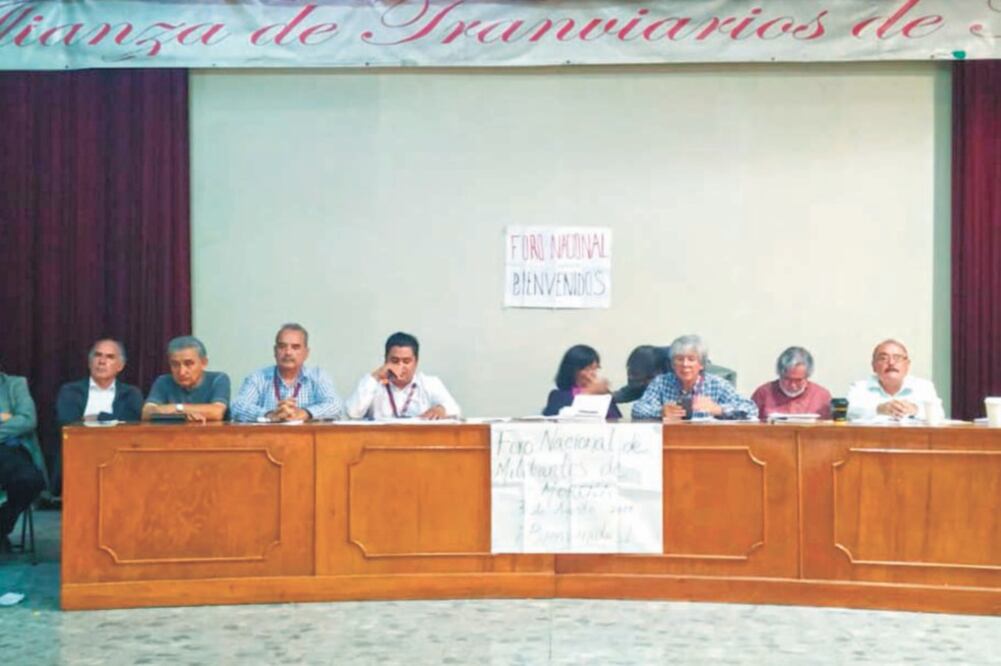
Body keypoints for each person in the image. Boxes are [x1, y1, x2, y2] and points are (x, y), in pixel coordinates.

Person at [231, 323, 344, 422]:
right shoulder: (258, 378)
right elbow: (237, 406)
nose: (288, 352)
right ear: (275, 351)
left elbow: (336, 406)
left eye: (295, 347)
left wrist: (305, 413)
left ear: (306, 353)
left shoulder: (318, 376)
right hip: (268, 438)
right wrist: (269, 415)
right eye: (282, 346)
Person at [632, 334, 758, 421]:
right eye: (679, 359)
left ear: (701, 364)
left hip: (708, 442)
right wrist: (660, 411)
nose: (685, 364)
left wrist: (719, 409)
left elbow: (751, 409)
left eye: (691, 359)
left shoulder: (717, 384)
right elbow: (637, 409)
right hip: (671, 440)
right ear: (672, 364)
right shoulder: (661, 383)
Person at [345, 332, 460, 420]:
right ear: (385, 360)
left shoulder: (429, 383)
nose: (400, 366)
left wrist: (441, 409)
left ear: (416, 362)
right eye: (394, 361)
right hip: (380, 441)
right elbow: (352, 413)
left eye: (406, 361)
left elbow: (455, 409)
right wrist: (376, 376)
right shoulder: (373, 383)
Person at [0, 369, 47, 552]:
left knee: (30, 481)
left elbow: (27, 420)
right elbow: (16, 420)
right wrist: (5, 417)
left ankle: (1, 526)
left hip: (8, 449)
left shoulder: (15, 384)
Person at [142, 336, 230, 422]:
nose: (182, 372)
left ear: (204, 363)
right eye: (175, 364)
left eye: (188, 364)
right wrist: (184, 412)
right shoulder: (163, 382)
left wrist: (177, 408)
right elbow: (146, 413)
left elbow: (216, 412)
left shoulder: (217, 379)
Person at [847, 339, 940, 421]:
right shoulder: (859, 387)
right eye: (883, 358)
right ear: (874, 366)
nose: (891, 363)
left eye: (897, 358)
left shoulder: (924, 386)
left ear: (907, 365)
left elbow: (939, 413)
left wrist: (915, 410)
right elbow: (848, 411)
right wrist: (879, 409)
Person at [56, 339, 143, 424]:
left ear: (120, 366)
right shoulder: (71, 391)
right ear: (89, 362)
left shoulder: (130, 394)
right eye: (97, 355)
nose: (102, 361)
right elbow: (68, 423)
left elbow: (132, 422)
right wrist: (112, 419)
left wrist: (98, 417)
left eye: (110, 357)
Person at [750, 346, 832, 420]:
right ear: (779, 374)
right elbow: (749, 426)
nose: (793, 385)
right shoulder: (763, 394)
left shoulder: (821, 397)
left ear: (808, 376)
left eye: (798, 380)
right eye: (787, 379)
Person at [543, 344, 622, 418]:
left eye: (595, 368)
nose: (593, 373)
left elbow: (617, 420)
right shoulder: (559, 395)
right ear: (572, 370)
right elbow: (556, 417)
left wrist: (605, 394)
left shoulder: (602, 394)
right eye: (587, 369)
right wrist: (589, 392)